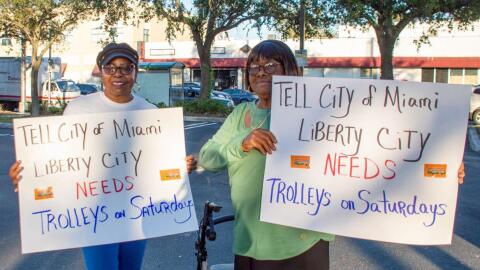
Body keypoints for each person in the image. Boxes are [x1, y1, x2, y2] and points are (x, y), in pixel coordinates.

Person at [198, 39, 466, 270]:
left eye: (270, 66)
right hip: (251, 242)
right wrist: (242, 143)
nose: (260, 73)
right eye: (254, 67)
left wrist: (441, 166)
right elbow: (209, 157)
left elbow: (378, 149)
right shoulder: (240, 115)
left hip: (304, 241)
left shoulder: (314, 109)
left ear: (290, 70)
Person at [8, 42, 197, 270]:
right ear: (101, 72)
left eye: (126, 68)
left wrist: (179, 167)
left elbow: (160, 166)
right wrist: (28, 177)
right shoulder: (79, 109)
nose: (118, 74)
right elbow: (58, 162)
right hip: (93, 214)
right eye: (111, 67)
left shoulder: (150, 113)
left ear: (136, 73)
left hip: (137, 214)